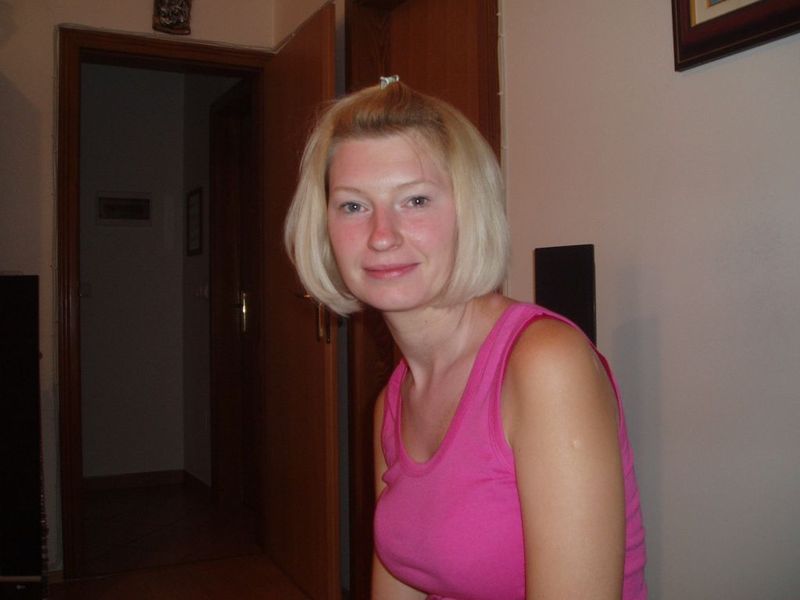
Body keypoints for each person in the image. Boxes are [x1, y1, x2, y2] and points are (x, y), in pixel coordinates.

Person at [284, 78, 647, 599]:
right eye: (353, 206)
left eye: (415, 200)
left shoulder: (545, 366)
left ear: (469, 212)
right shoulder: (392, 403)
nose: (381, 235)